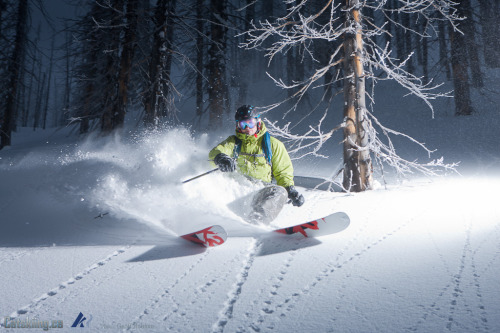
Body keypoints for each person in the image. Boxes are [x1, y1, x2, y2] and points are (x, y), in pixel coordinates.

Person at [209, 105, 304, 223]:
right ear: (238, 125)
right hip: (235, 190)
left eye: (250, 123)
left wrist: (290, 190)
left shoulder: (273, 145)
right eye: (243, 124)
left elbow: (283, 172)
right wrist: (221, 158)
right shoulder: (234, 142)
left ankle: (256, 222)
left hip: (259, 192)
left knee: (279, 192)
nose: (247, 128)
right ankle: (210, 218)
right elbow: (216, 152)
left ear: (258, 123)